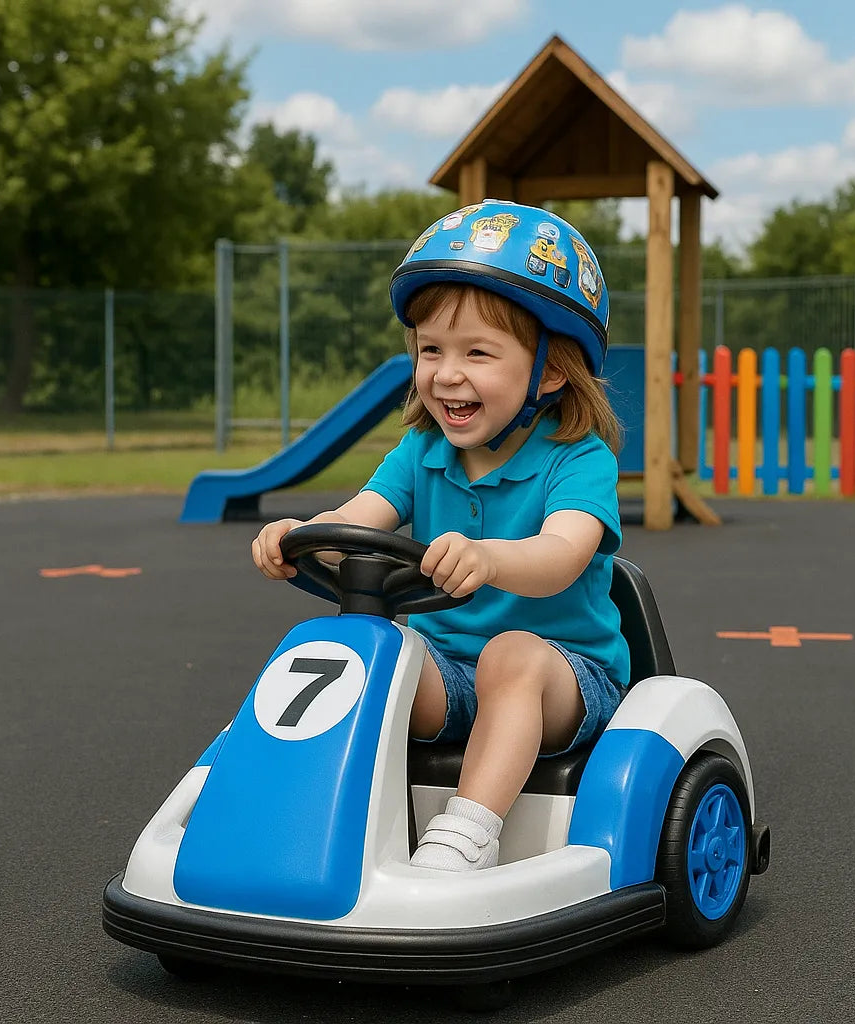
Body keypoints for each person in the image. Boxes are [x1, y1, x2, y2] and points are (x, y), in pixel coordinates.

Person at [252, 200, 629, 872]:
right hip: (450, 675)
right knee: (357, 648)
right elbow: (356, 521)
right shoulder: (420, 452)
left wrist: (487, 557)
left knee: (512, 655)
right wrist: (299, 535)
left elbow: (562, 557)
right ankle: (267, 793)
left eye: (477, 353)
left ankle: (468, 833)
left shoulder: (579, 459)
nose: (446, 374)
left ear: (547, 370)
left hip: (564, 677)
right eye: (431, 350)